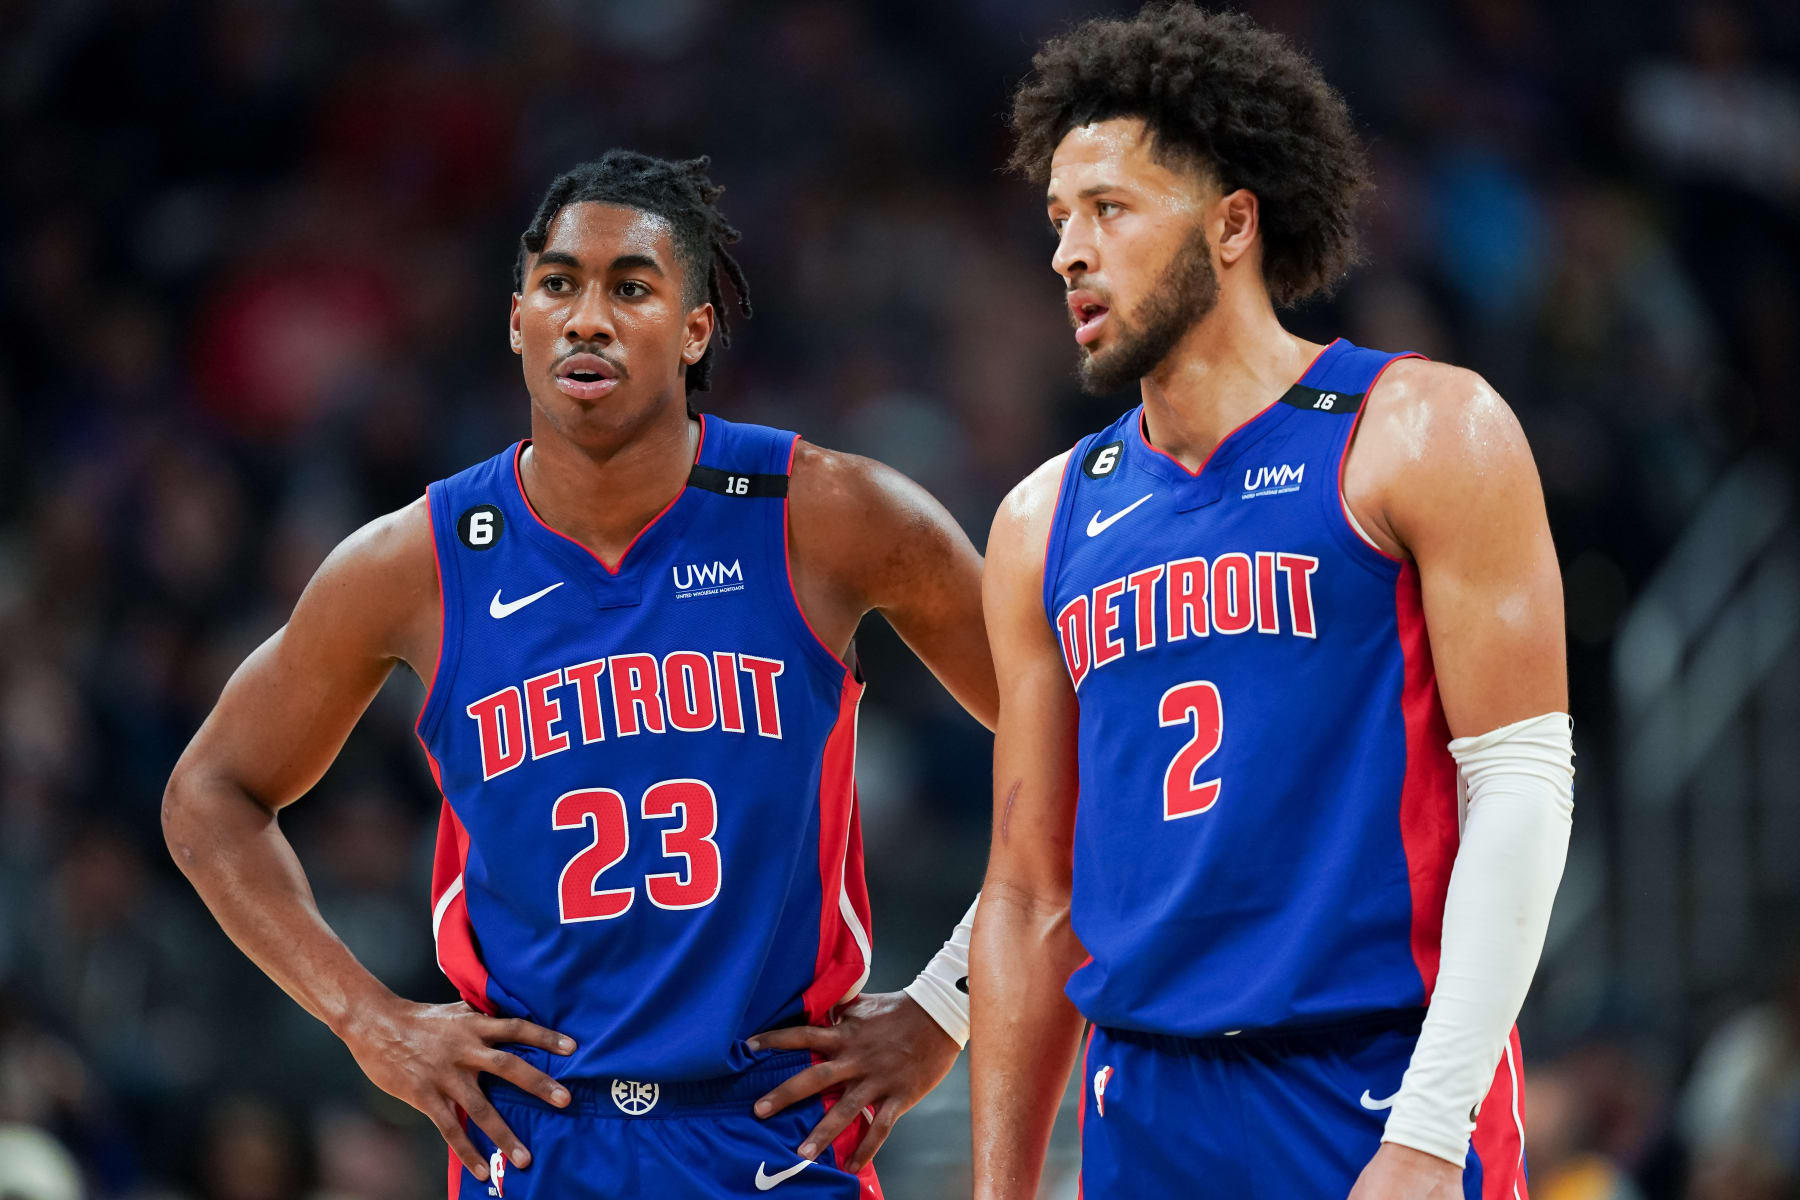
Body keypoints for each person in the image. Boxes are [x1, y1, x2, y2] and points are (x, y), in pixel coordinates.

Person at [163, 150, 989, 1200]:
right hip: (536, 1145)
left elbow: (1082, 751)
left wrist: (949, 1007)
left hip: (779, 1135)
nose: (587, 317)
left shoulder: (830, 514)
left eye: (630, 288)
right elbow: (209, 796)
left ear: (695, 331)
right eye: (559, 285)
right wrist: (369, 1022)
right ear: (517, 319)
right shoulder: (415, 561)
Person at [968, 7, 1574, 1199]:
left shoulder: (1419, 431)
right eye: (1057, 220)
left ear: (1234, 222)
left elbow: (1520, 788)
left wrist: (1430, 1127)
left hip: (1370, 1084)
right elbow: (1033, 893)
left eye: (1110, 210)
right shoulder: (1043, 522)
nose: (1068, 254)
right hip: (1142, 1102)